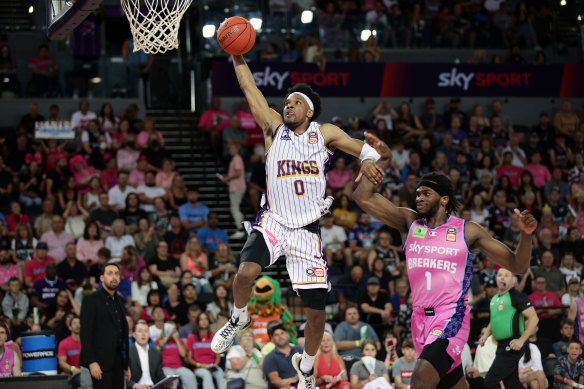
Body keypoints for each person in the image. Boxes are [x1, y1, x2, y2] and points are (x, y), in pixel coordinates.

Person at [210, 49, 385, 388]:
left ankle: (306, 367)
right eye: (286, 102)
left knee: (316, 313)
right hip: (274, 221)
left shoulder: (325, 133)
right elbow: (250, 89)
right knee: (245, 273)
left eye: (294, 103)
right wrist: (236, 55)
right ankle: (238, 317)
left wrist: (367, 161)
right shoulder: (274, 129)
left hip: (306, 231)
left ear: (309, 110)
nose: (287, 106)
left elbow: (363, 149)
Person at [352, 132, 537, 389]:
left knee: (420, 381)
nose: (419, 198)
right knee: (450, 384)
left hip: (451, 316)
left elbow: (518, 266)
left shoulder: (466, 230)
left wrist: (526, 236)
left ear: (444, 199)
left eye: (426, 193)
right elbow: (361, 197)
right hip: (420, 321)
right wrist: (383, 160)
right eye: (417, 194)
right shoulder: (409, 223)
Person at [479, 268, 539, 388]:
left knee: (490, 381)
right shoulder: (495, 298)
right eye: (500, 275)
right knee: (511, 383)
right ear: (496, 278)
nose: (502, 277)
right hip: (501, 345)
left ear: (513, 280)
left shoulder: (516, 296)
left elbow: (534, 318)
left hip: (512, 344)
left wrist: (521, 340)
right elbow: (495, 319)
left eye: (506, 275)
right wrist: (485, 335)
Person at [80, 263, 131, 389]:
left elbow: (123, 333)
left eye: (116, 274)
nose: (114, 277)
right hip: (100, 362)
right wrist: (92, 362)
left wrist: (125, 364)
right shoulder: (91, 299)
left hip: (118, 362)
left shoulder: (119, 300)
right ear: (102, 278)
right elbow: (85, 333)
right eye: (110, 273)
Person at [262, 321, 303, 389]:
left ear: (288, 335)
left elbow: (309, 370)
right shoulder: (269, 357)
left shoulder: (299, 350)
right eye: (276, 335)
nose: (280, 336)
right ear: (272, 339)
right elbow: (275, 381)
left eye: (282, 333)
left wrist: (295, 378)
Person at [128, 319, 166, 388]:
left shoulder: (157, 353)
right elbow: (122, 377)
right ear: (134, 334)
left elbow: (160, 376)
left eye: (146, 331)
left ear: (149, 334)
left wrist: (166, 382)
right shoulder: (128, 352)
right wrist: (135, 386)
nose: (143, 334)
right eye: (140, 331)